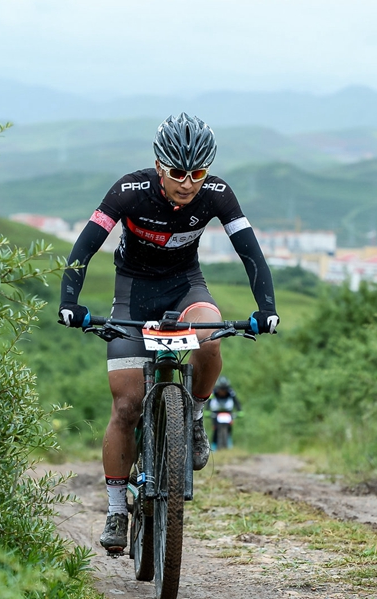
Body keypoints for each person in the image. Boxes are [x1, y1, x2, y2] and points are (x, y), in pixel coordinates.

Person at [57, 112, 279, 552]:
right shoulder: (129, 191)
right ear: (159, 164)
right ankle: (118, 509)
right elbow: (84, 247)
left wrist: (266, 309)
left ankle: (194, 417)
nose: (187, 182)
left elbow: (249, 252)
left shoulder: (217, 194)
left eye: (198, 173)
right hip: (133, 293)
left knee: (210, 337)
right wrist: (69, 302)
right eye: (177, 172)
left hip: (184, 288)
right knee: (126, 405)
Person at [208, 375, 242, 450]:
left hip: (228, 411)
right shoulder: (214, 391)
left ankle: (229, 441)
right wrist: (207, 410)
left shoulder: (231, 391)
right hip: (216, 411)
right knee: (215, 428)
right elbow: (209, 400)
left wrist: (239, 410)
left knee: (229, 427)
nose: (222, 392)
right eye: (221, 389)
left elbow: (236, 401)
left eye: (224, 389)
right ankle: (213, 445)